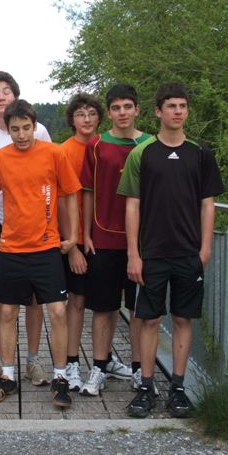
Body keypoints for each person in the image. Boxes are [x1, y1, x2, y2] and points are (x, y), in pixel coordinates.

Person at [119, 83, 224, 418]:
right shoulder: (142, 153)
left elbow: (208, 205)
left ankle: (177, 389)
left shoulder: (200, 154)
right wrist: (133, 254)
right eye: (171, 106)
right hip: (152, 253)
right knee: (149, 319)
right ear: (158, 111)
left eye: (183, 106)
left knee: (182, 318)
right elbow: (132, 206)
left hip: (188, 253)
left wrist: (205, 249)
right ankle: (146, 388)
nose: (178, 111)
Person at [0, 99, 81, 408]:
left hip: (47, 247)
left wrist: (73, 236)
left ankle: (60, 377)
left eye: (26, 128)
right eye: (15, 129)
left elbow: (70, 194)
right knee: (7, 312)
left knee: (58, 311)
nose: (22, 135)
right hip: (12, 248)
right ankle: (8, 375)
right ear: (7, 129)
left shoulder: (54, 153)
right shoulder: (0, 158)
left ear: (35, 126)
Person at [0, 71, 53, 387]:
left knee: (33, 298)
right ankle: (0, 359)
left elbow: (51, 177)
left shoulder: (39, 130)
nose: (1, 96)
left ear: (16, 95)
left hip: (34, 226)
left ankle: (33, 359)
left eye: (6, 90)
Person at [78, 84, 152, 397]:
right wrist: (85, 233)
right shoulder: (97, 145)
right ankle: (99, 367)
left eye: (128, 107)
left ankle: (139, 371)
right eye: (116, 108)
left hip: (143, 243)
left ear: (137, 109)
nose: (122, 113)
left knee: (138, 310)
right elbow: (87, 192)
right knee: (103, 308)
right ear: (108, 113)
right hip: (104, 238)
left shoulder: (150, 145)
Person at [57, 93, 104, 392]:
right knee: (76, 301)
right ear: (72, 120)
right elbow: (61, 201)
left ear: (99, 117)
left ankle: (104, 362)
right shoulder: (63, 152)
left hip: (105, 238)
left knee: (106, 306)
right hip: (74, 238)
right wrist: (72, 245)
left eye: (91, 113)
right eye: (80, 114)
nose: (86, 119)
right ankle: (71, 362)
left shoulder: (106, 147)